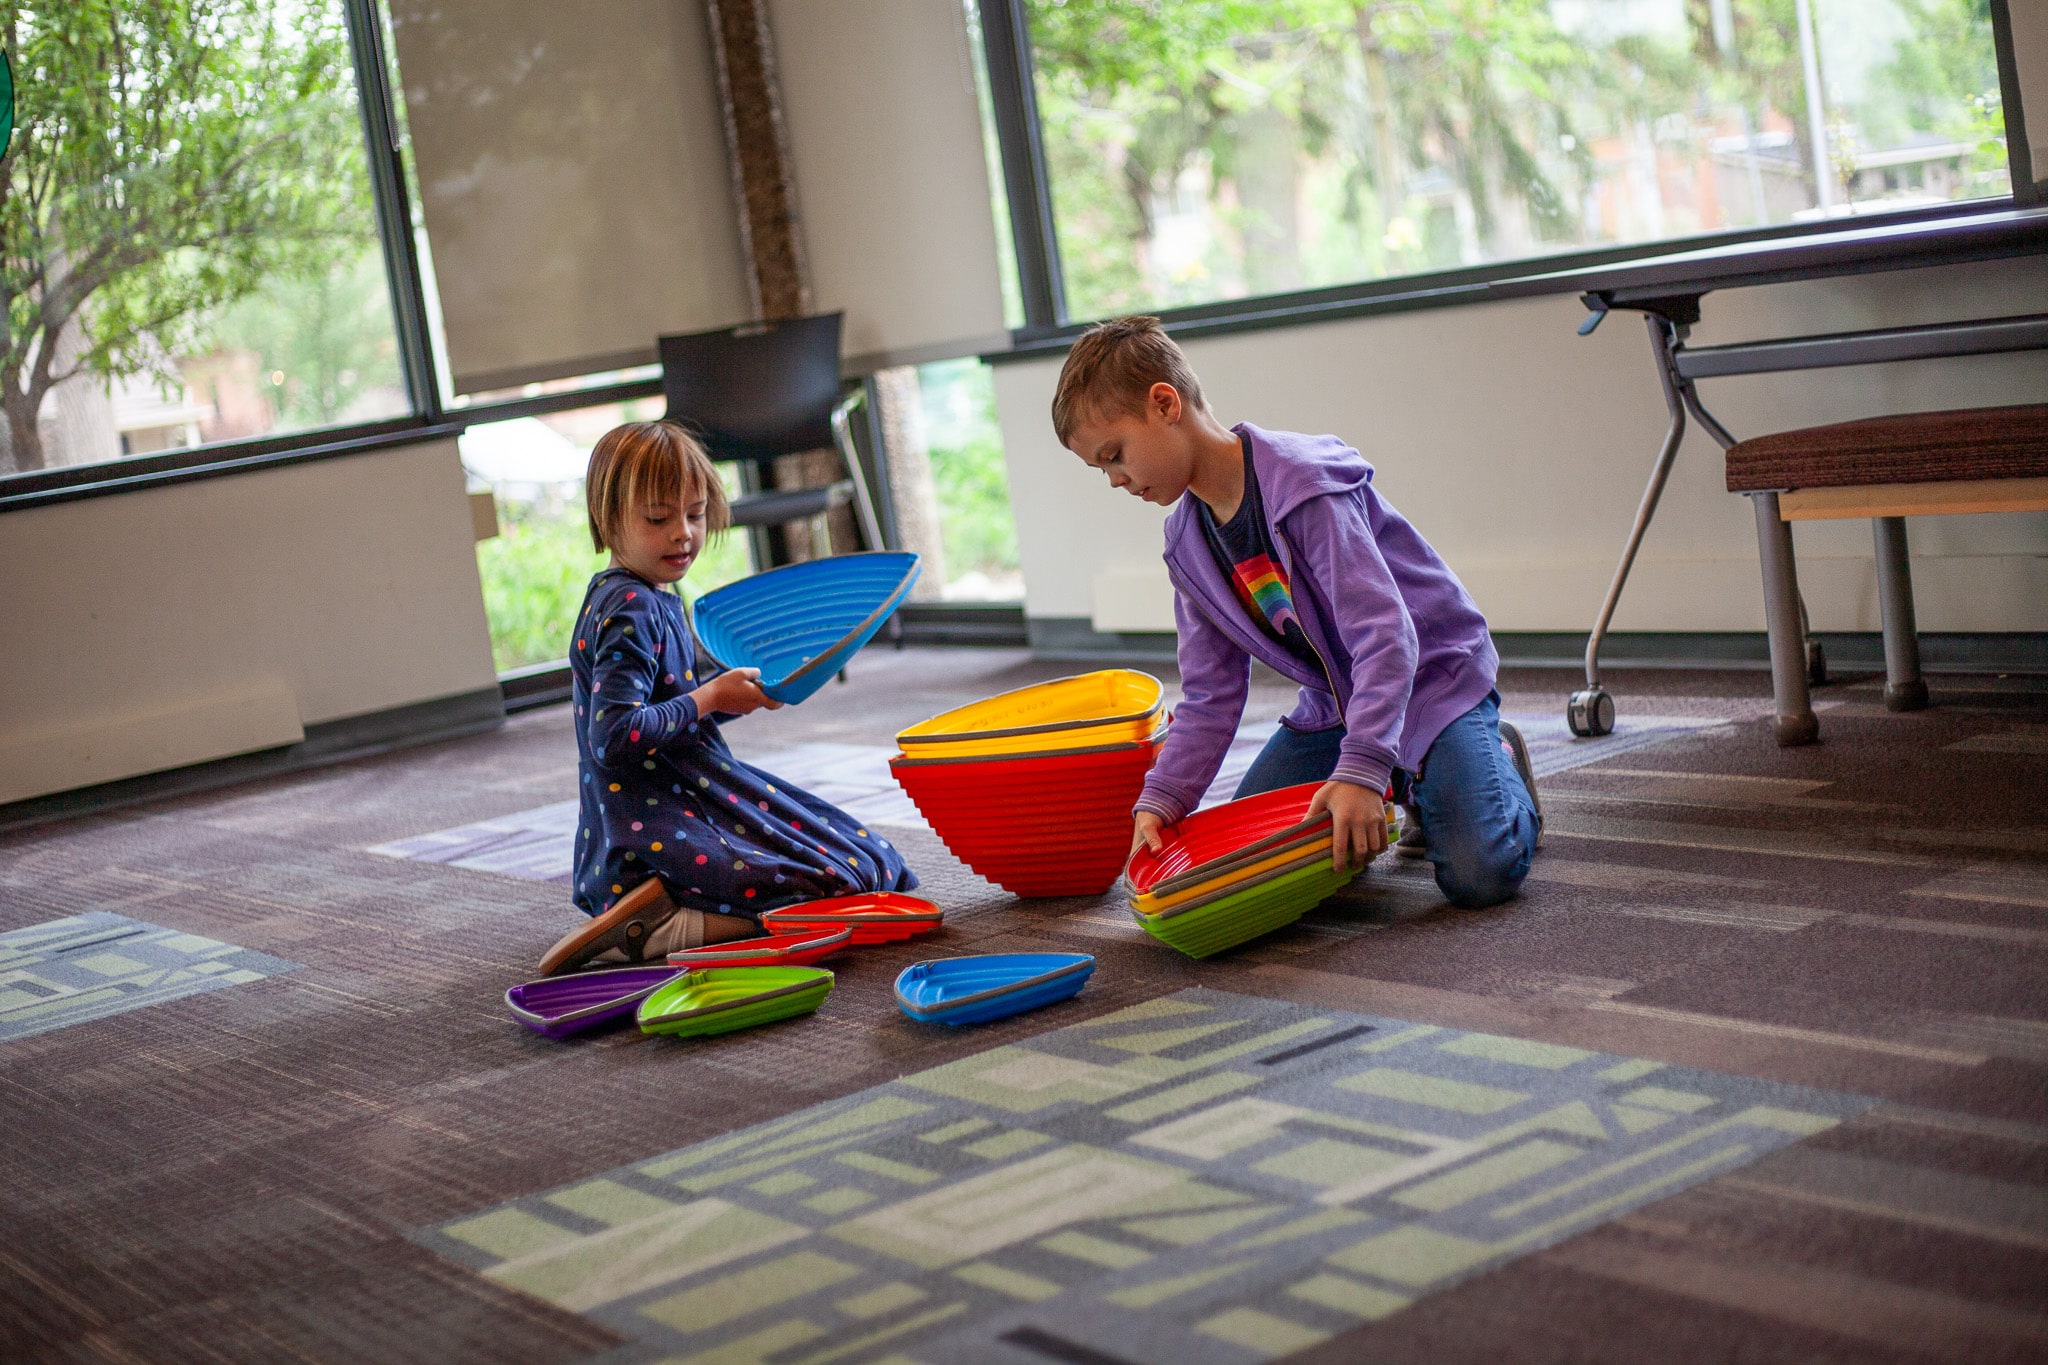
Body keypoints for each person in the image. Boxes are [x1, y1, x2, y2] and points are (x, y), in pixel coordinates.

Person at [1053, 316, 1540, 909]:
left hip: (1430, 681)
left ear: (1164, 404)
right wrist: (1162, 799)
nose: (1114, 480)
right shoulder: (1187, 546)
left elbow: (1388, 638)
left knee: (1478, 874)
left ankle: (1494, 765)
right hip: (1337, 707)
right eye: (1100, 468)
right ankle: (1405, 777)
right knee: (1257, 864)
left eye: (1114, 455)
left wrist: (1360, 770)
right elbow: (1210, 696)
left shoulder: (1303, 486)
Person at [539, 421, 917, 974]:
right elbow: (615, 738)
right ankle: (666, 923)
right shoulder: (633, 609)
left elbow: (666, 712)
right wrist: (709, 698)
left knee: (869, 863)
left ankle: (662, 910)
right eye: (658, 518)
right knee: (846, 880)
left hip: (670, 809)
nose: (683, 534)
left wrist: (723, 697)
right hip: (659, 828)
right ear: (607, 518)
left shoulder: (632, 594)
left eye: (694, 514)